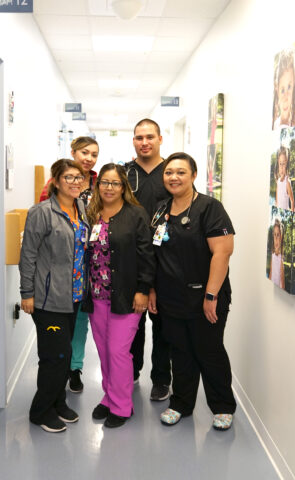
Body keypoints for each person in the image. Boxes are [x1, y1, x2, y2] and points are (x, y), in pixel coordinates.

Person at [148, 152, 237, 431]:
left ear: (193, 175)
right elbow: (155, 253)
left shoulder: (210, 208)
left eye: (181, 172)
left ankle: (222, 406)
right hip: (170, 297)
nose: (174, 177)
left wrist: (211, 296)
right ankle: (181, 403)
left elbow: (222, 253)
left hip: (204, 298)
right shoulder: (161, 209)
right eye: (168, 172)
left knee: (208, 351)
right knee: (180, 352)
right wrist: (152, 289)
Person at [19, 159, 89, 433]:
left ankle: (58, 402)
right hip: (48, 298)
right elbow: (29, 254)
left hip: (74, 296)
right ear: (56, 181)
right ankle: (40, 411)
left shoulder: (81, 208)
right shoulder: (41, 212)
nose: (75, 182)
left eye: (79, 177)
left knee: (66, 352)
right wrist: (27, 293)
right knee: (54, 356)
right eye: (69, 177)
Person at [83, 163, 155, 428]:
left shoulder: (136, 214)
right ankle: (109, 396)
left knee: (118, 351)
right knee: (103, 351)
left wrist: (142, 290)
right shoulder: (91, 213)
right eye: (104, 182)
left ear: (124, 187)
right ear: (97, 184)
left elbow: (147, 256)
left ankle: (123, 406)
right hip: (97, 295)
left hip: (126, 296)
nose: (109, 188)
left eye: (115, 183)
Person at [40, 136, 99, 394]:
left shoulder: (100, 183)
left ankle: (75, 369)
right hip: (62, 262)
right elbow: (44, 218)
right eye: (84, 152)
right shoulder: (54, 184)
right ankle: (58, 368)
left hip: (91, 262)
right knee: (59, 322)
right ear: (73, 152)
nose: (88, 158)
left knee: (81, 321)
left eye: (94, 154)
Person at [125, 118, 171, 402]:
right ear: (133, 141)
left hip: (167, 257)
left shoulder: (172, 171)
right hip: (133, 257)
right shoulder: (126, 172)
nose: (145, 142)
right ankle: (130, 372)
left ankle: (161, 379)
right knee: (133, 321)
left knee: (163, 324)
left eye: (149, 137)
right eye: (139, 137)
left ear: (160, 139)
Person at [272, 49, 295, 129]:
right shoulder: (275, 125)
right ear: (277, 88)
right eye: (282, 90)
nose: (286, 98)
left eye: (289, 87)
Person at [275, 146, 294, 211]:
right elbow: (276, 201)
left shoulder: (287, 182)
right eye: (280, 164)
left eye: (284, 164)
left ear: (287, 164)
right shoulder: (278, 181)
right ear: (278, 163)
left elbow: (292, 200)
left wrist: (292, 212)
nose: (282, 167)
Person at [269, 218, 285, 289]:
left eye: (278, 235)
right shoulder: (272, 255)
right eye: (274, 235)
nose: (275, 238)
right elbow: (270, 274)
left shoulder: (281, 260)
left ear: (281, 237)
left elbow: (282, 286)